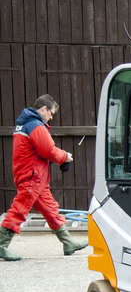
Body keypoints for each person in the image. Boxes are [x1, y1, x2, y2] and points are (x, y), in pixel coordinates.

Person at [0, 95, 88, 261]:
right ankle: (1, 245)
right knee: (19, 210)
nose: (51, 117)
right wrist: (65, 157)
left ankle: (68, 242)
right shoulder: (34, 125)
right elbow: (47, 150)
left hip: (34, 176)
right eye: (51, 113)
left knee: (50, 209)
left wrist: (60, 156)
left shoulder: (25, 124)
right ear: (43, 109)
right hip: (32, 177)